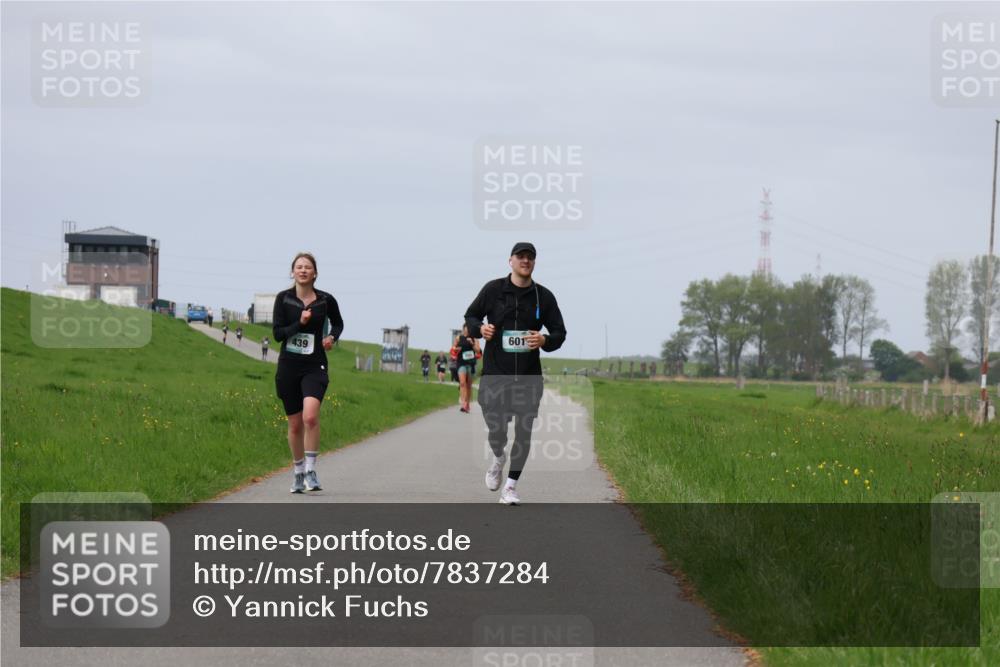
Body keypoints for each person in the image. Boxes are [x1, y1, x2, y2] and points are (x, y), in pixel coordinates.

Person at [464, 242, 566, 505]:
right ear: (510, 261)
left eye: (530, 257)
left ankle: (510, 486)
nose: (526, 261)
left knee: (524, 431)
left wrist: (544, 340)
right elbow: (471, 316)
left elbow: (559, 333)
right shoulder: (493, 290)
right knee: (496, 428)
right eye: (521, 256)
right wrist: (480, 329)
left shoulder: (544, 297)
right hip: (496, 373)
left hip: (528, 376)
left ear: (534, 262)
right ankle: (498, 456)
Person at [272, 252, 344, 494]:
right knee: (294, 425)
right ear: (292, 272)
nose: (303, 270)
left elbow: (338, 323)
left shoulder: (325, 300)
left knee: (310, 417)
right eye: (299, 267)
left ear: (315, 273)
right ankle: (298, 471)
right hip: (289, 366)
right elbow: (278, 334)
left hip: (315, 365)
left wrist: (332, 337)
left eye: (308, 267)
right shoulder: (283, 299)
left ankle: (311, 471)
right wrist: (300, 324)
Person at [453, 325, 481, 413]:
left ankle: (467, 403)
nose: (468, 330)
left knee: (468, 385)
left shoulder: (474, 339)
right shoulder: (458, 338)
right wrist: (456, 349)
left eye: (469, 329)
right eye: (466, 328)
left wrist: (472, 344)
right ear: (463, 329)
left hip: (471, 364)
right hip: (461, 363)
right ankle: (463, 403)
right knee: (462, 383)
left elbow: (478, 351)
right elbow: (453, 349)